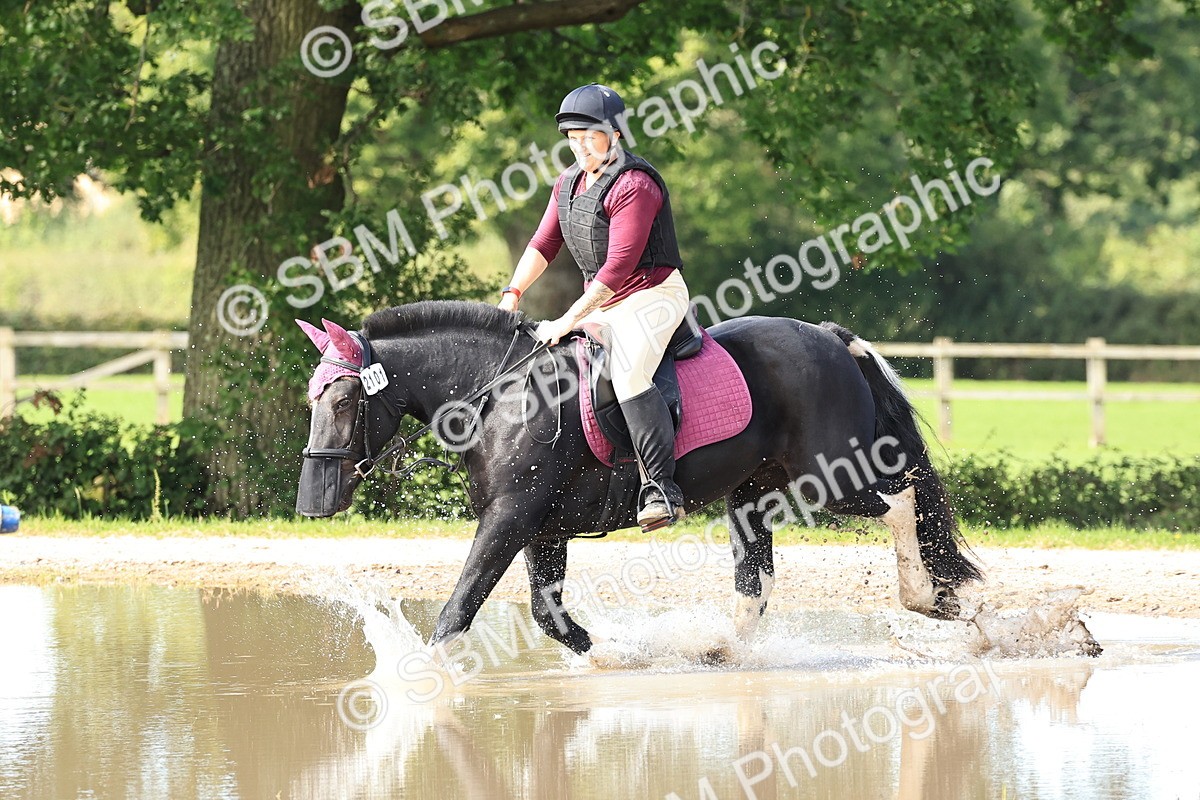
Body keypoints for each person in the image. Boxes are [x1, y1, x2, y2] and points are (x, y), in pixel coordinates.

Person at [497, 83, 691, 531]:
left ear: (615, 134)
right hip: (604, 300)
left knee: (628, 374)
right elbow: (543, 243)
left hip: (652, 296)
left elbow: (618, 268)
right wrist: (512, 293)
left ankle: (661, 488)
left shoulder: (635, 185)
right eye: (573, 137)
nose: (580, 146)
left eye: (590, 136)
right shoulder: (568, 182)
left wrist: (568, 319)